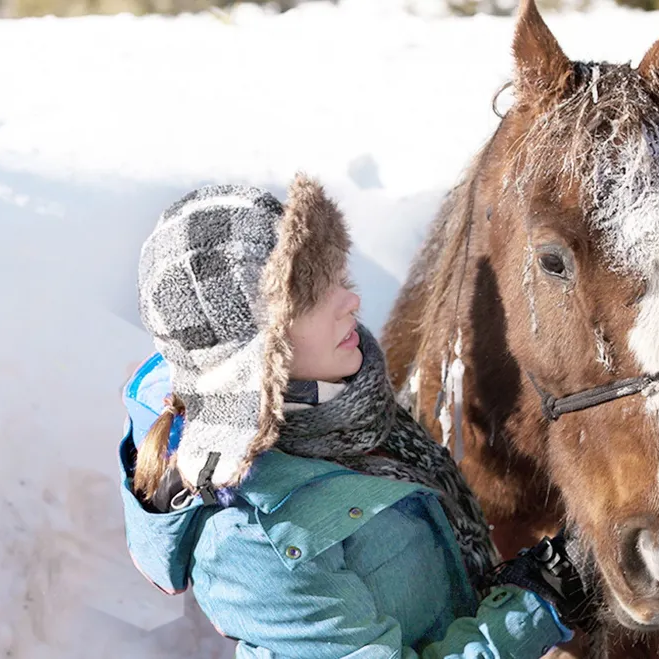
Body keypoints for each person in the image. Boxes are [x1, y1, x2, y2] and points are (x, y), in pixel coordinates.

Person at [115, 174, 592, 658]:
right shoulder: (249, 538)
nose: (351, 301)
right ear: (254, 354)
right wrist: (535, 603)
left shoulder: (337, 406)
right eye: (310, 296)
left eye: (337, 278)